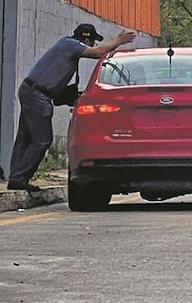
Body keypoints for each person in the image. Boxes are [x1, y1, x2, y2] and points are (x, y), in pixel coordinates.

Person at [7, 23, 136, 192]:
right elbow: (98, 53)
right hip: (38, 94)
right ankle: (19, 178)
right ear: (86, 39)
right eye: (92, 41)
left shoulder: (67, 46)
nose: (93, 45)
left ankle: (16, 177)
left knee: (26, 137)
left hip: (32, 90)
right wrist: (118, 41)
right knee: (42, 139)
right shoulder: (70, 45)